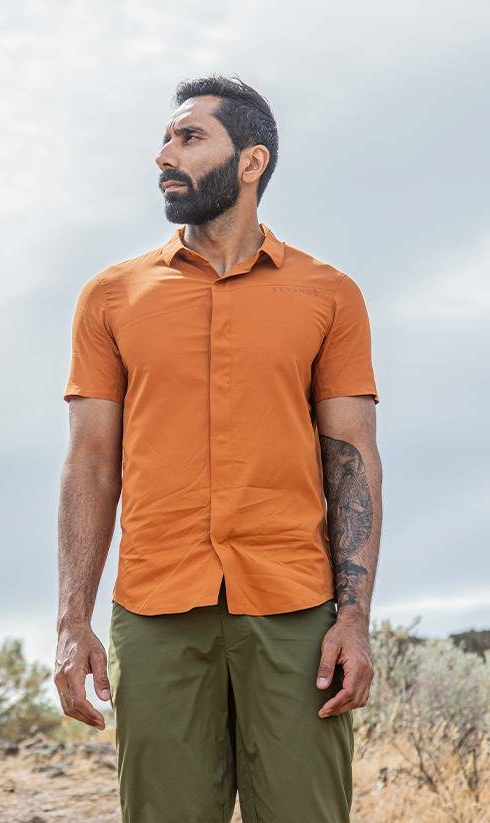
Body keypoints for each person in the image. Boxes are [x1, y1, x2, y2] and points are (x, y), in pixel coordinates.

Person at [54, 73, 382, 823]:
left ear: (251, 161)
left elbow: (352, 460)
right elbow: (91, 464)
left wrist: (354, 617)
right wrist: (73, 621)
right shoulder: (111, 296)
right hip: (156, 603)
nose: (164, 153)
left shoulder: (330, 294)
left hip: (297, 609)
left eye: (189, 136)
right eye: (167, 138)